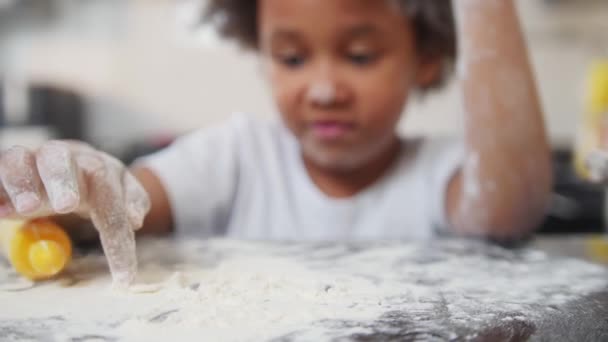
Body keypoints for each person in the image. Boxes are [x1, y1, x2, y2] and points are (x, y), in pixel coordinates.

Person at [0, 0, 552, 285]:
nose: (324, 89)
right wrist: (76, 188)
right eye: (291, 58)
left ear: (425, 58)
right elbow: (123, 204)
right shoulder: (235, 156)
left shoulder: (442, 173)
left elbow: (507, 208)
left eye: (359, 56)